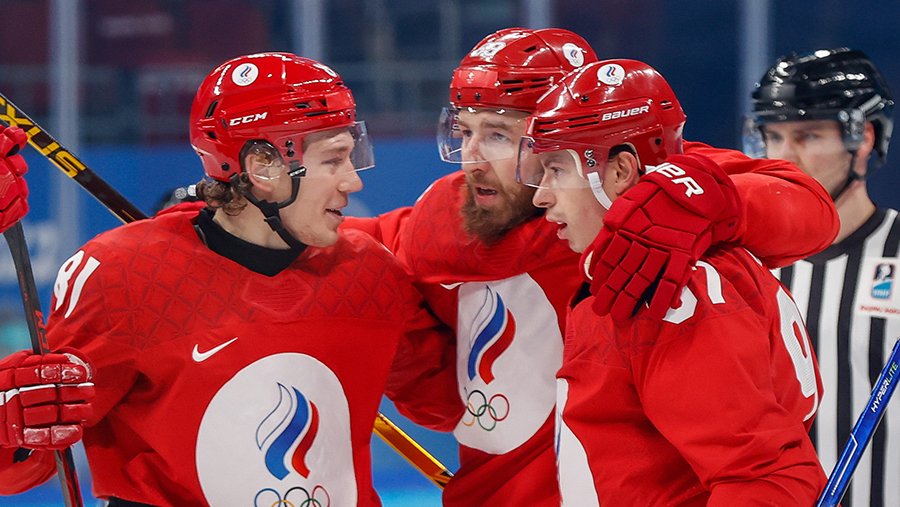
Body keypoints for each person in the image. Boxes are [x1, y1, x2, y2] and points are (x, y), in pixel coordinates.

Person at [345, 28, 839, 505]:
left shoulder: (649, 194)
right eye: (464, 131)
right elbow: (446, 397)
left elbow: (807, 207)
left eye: (497, 134)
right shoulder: (449, 218)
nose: (471, 161)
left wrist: (689, 200)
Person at [0, 52, 458, 506]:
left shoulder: (369, 272)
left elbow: (447, 403)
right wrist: (11, 423)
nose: (352, 181)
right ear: (262, 166)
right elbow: (27, 464)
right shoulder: (124, 275)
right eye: (334, 160)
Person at [521, 57, 827, 505]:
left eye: (557, 169)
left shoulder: (669, 288)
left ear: (621, 172)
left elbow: (761, 479)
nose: (541, 195)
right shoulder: (643, 259)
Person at [745, 47, 900, 507]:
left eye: (807, 135)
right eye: (773, 137)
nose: (783, 157)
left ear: (864, 137)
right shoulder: (742, 265)